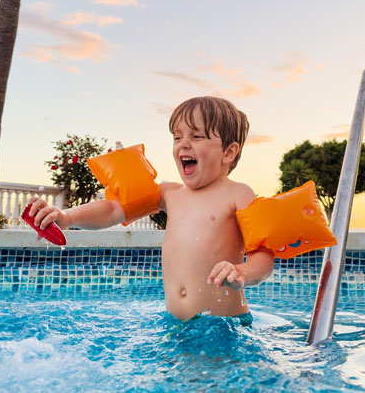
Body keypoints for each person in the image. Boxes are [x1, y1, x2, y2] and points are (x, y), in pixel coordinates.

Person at [27, 96, 274, 325]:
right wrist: (67, 217)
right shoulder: (170, 194)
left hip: (224, 324)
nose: (184, 145)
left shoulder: (238, 194)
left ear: (228, 152)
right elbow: (114, 209)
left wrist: (242, 272)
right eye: (178, 138)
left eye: (197, 137)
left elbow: (262, 255)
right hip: (176, 324)